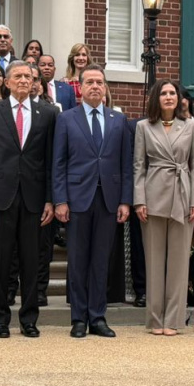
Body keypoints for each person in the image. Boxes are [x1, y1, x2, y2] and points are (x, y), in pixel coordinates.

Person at [53, 65, 131, 338]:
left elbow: (125, 164)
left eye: (100, 82)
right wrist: (60, 200)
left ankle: (98, 317)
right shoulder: (66, 119)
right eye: (90, 82)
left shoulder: (118, 120)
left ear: (105, 87)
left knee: (101, 261)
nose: (95, 86)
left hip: (108, 200)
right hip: (77, 200)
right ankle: (78, 318)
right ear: (81, 87)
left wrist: (125, 201)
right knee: (77, 261)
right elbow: (58, 162)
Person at [0, 62, 56, 339]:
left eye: (28, 76)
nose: (24, 80)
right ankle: (0, 319)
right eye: (18, 76)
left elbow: (51, 160)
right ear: (7, 82)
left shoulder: (48, 113)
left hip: (34, 199)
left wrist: (50, 199)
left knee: (32, 261)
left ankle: (29, 319)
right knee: (1, 261)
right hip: (1, 197)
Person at [134, 79, 194, 335]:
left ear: (179, 98)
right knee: (153, 261)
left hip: (183, 195)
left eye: (172, 93)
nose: (168, 97)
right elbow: (139, 165)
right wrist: (139, 200)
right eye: (163, 93)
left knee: (179, 262)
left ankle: (173, 320)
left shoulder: (191, 126)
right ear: (157, 98)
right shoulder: (143, 126)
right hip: (153, 195)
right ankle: (155, 320)